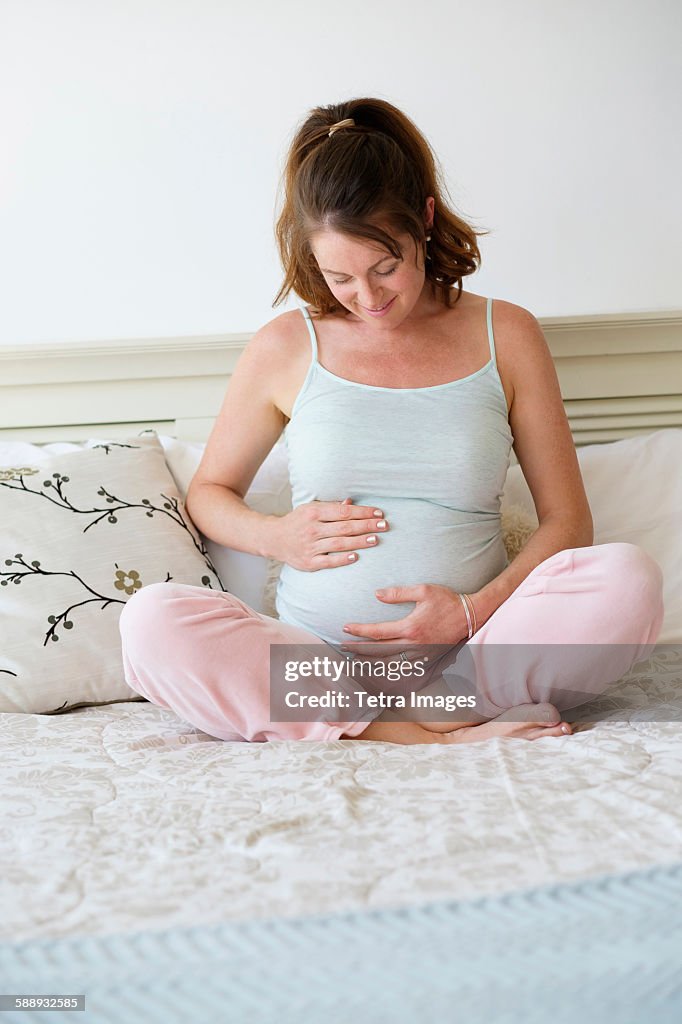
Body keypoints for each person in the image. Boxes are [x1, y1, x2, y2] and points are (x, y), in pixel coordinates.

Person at [118, 97, 664, 745]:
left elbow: (569, 523)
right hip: (313, 662)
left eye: (386, 267)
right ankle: (419, 735)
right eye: (340, 277)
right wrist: (278, 537)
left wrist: (470, 611)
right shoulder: (286, 345)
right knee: (153, 619)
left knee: (628, 579)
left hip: (470, 658)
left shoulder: (507, 334)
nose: (369, 298)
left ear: (424, 222)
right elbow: (209, 494)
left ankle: (430, 714)